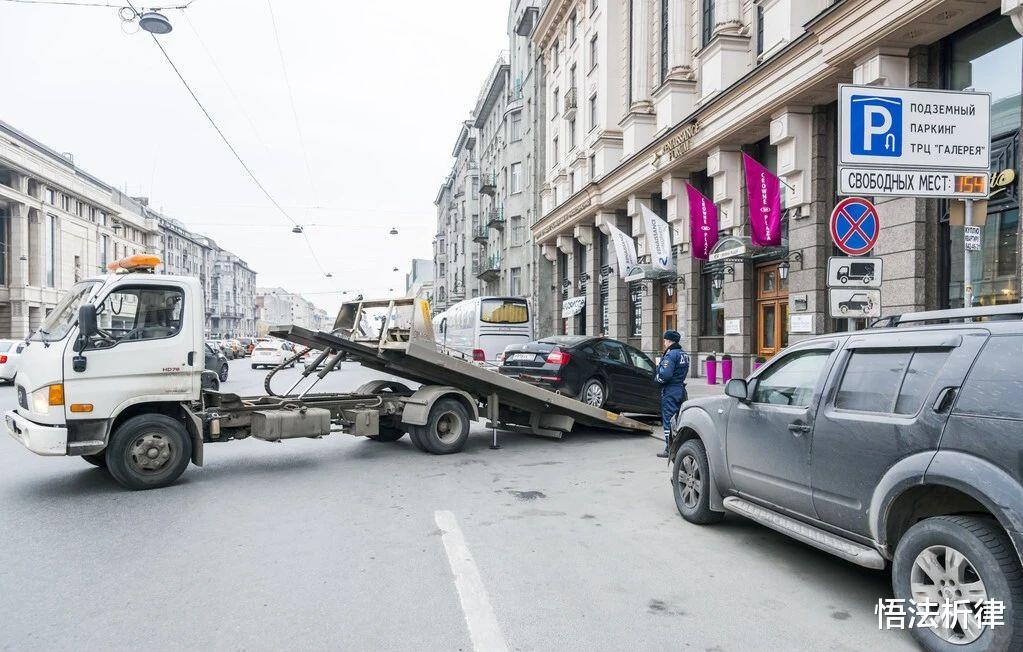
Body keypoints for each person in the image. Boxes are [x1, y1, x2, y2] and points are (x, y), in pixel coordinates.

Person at [655, 330, 689, 458]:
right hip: (680, 389)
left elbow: (665, 374)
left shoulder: (671, 355)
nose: (664, 343)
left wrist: (657, 380)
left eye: (665, 340)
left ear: (669, 341)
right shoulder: (684, 354)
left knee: (669, 419)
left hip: (670, 390)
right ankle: (678, 445)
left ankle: (669, 449)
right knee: (678, 418)